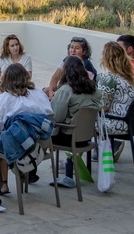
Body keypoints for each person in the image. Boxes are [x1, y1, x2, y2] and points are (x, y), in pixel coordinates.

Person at [0, 63, 53, 195]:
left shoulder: (6, 97)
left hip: (19, 147)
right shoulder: (38, 94)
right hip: (38, 143)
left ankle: (3, 184)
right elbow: (49, 113)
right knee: (6, 135)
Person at [50, 55, 102, 188]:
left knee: (39, 134)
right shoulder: (94, 90)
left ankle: (29, 174)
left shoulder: (65, 90)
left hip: (68, 137)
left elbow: (56, 118)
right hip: (86, 136)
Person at [96, 41, 134, 162]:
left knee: (80, 121)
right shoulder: (131, 78)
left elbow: (103, 107)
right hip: (133, 123)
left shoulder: (108, 79)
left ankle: (72, 161)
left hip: (117, 123)